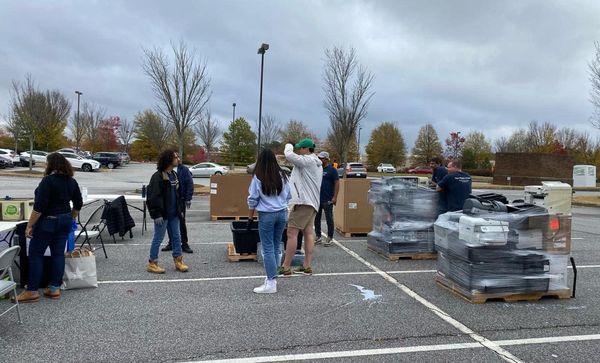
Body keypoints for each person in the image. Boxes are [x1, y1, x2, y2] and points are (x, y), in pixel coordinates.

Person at [16, 152, 83, 303]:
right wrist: (69, 217)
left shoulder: (48, 181)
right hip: (65, 220)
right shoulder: (71, 181)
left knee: (36, 254)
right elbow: (78, 204)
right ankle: (54, 288)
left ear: (51, 165)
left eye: (47, 163)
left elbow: (39, 207)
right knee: (58, 254)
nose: (45, 166)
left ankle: (32, 290)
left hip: (48, 221)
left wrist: (29, 225)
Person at [247, 149, 291, 293]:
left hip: (266, 215)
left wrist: (250, 215)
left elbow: (253, 198)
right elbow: (288, 195)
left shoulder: (258, 176)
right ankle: (272, 277)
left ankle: (271, 282)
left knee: (267, 248)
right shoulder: (283, 175)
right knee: (276, 245)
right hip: (282, 213)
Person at [280, 138, 323, 277]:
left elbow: (289, 155)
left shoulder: (308, 161)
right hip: (312, 203)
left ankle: (286, 267)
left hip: (303, 203)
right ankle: (307, 266)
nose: (299, 151)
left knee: (292, 233)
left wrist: (288, 146)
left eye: (301, 148)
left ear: (306, 149)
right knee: (308, 233)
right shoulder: (317, 163)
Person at [146, 150, 188, 274]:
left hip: (174, 214)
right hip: (162, 215)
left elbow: (177, 194)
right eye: (175, 157)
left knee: (176, 237)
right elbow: (153, 197)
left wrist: (180, 208)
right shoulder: (158, 176)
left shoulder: (173, 175)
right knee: (158, 238)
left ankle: (178, 261)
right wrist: (156, 214)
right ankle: (152, 263)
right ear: (169, 160)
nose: (178, 159)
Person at [162, 153, 194, 254]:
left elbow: (190, 183)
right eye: (176, 157)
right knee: (169, 223)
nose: (178, 159)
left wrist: (188, 198)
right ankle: (171, 243)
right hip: (169, 201)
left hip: (180, 201)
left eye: (178, 157)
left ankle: (184, 243)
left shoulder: (183, 169)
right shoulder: (166, 171)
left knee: (181, 222)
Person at [314, 151, 339, 247]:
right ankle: (318, 236)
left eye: (321, 158)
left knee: (329, 218)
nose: (319, 159)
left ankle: (330, 237)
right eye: (319, 158)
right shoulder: (317, 169)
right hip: (317, 198)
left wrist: (335, 197)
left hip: (328, 199)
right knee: (317, 218)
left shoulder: (332, 170)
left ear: (326, 159)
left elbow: (337, 183)